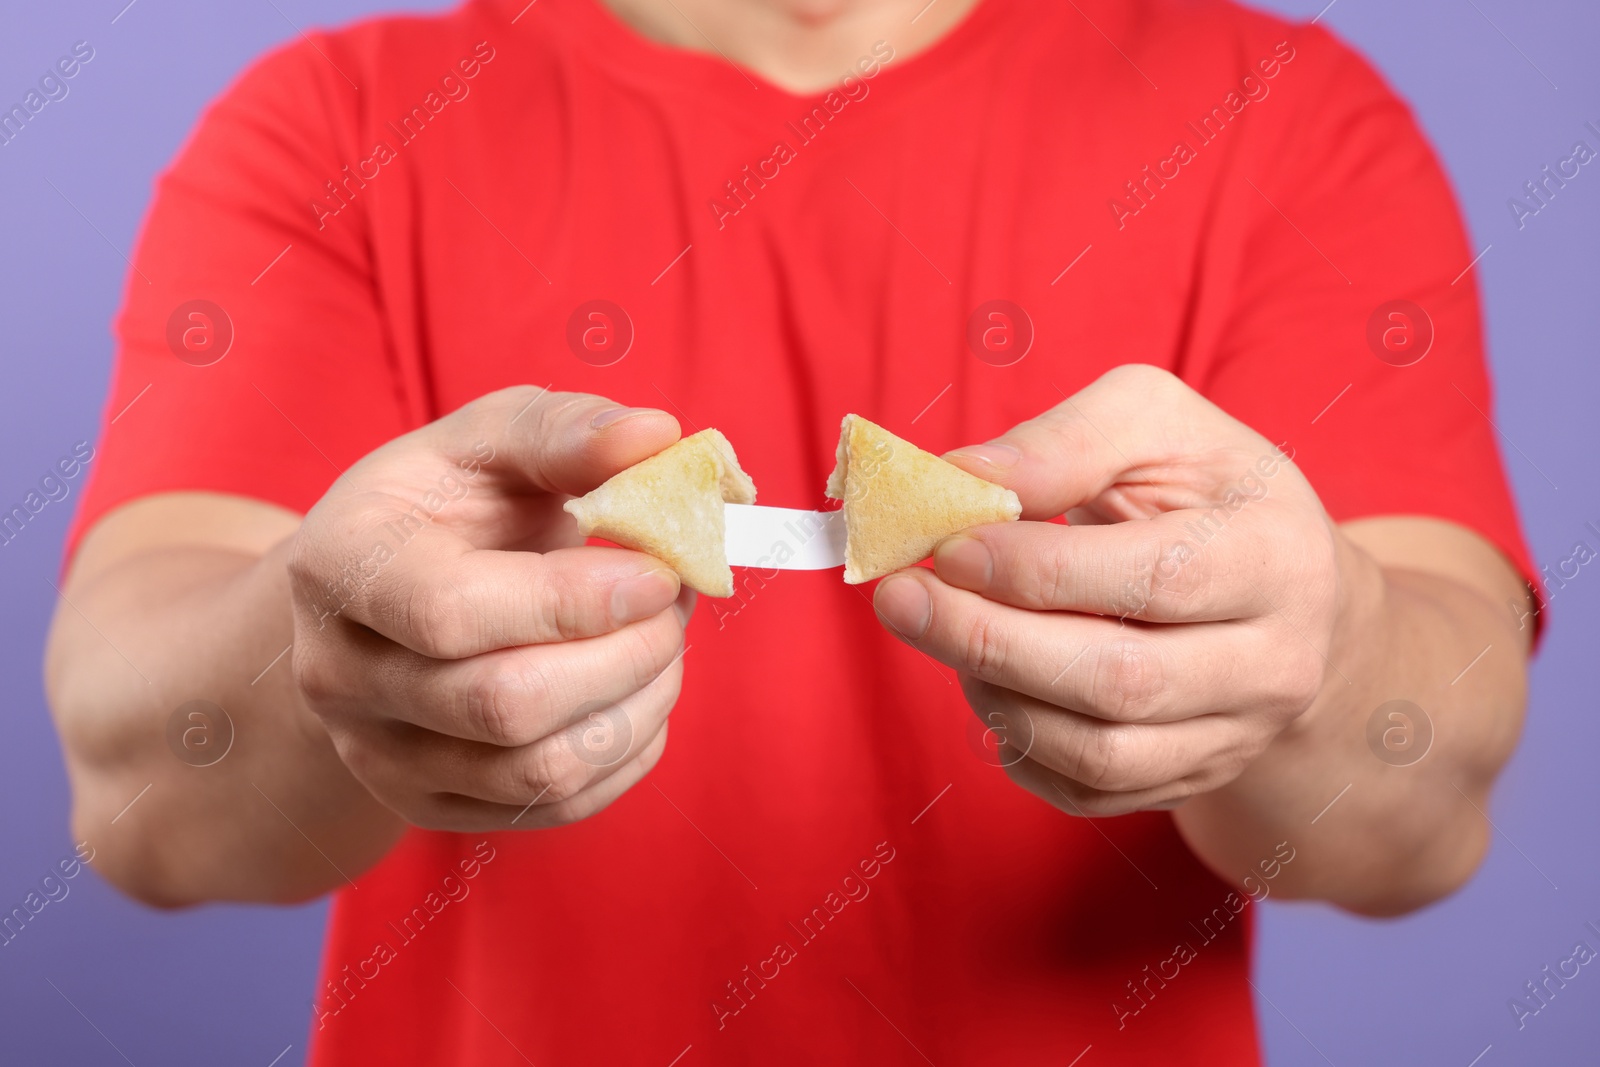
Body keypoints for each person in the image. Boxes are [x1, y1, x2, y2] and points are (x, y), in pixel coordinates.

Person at [45, 0, 1537, 1062]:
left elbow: (1424, 811)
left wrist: (1321, 662)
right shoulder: (335, 123)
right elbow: (138, 797)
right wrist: (334, 658)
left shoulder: (1283, 115)